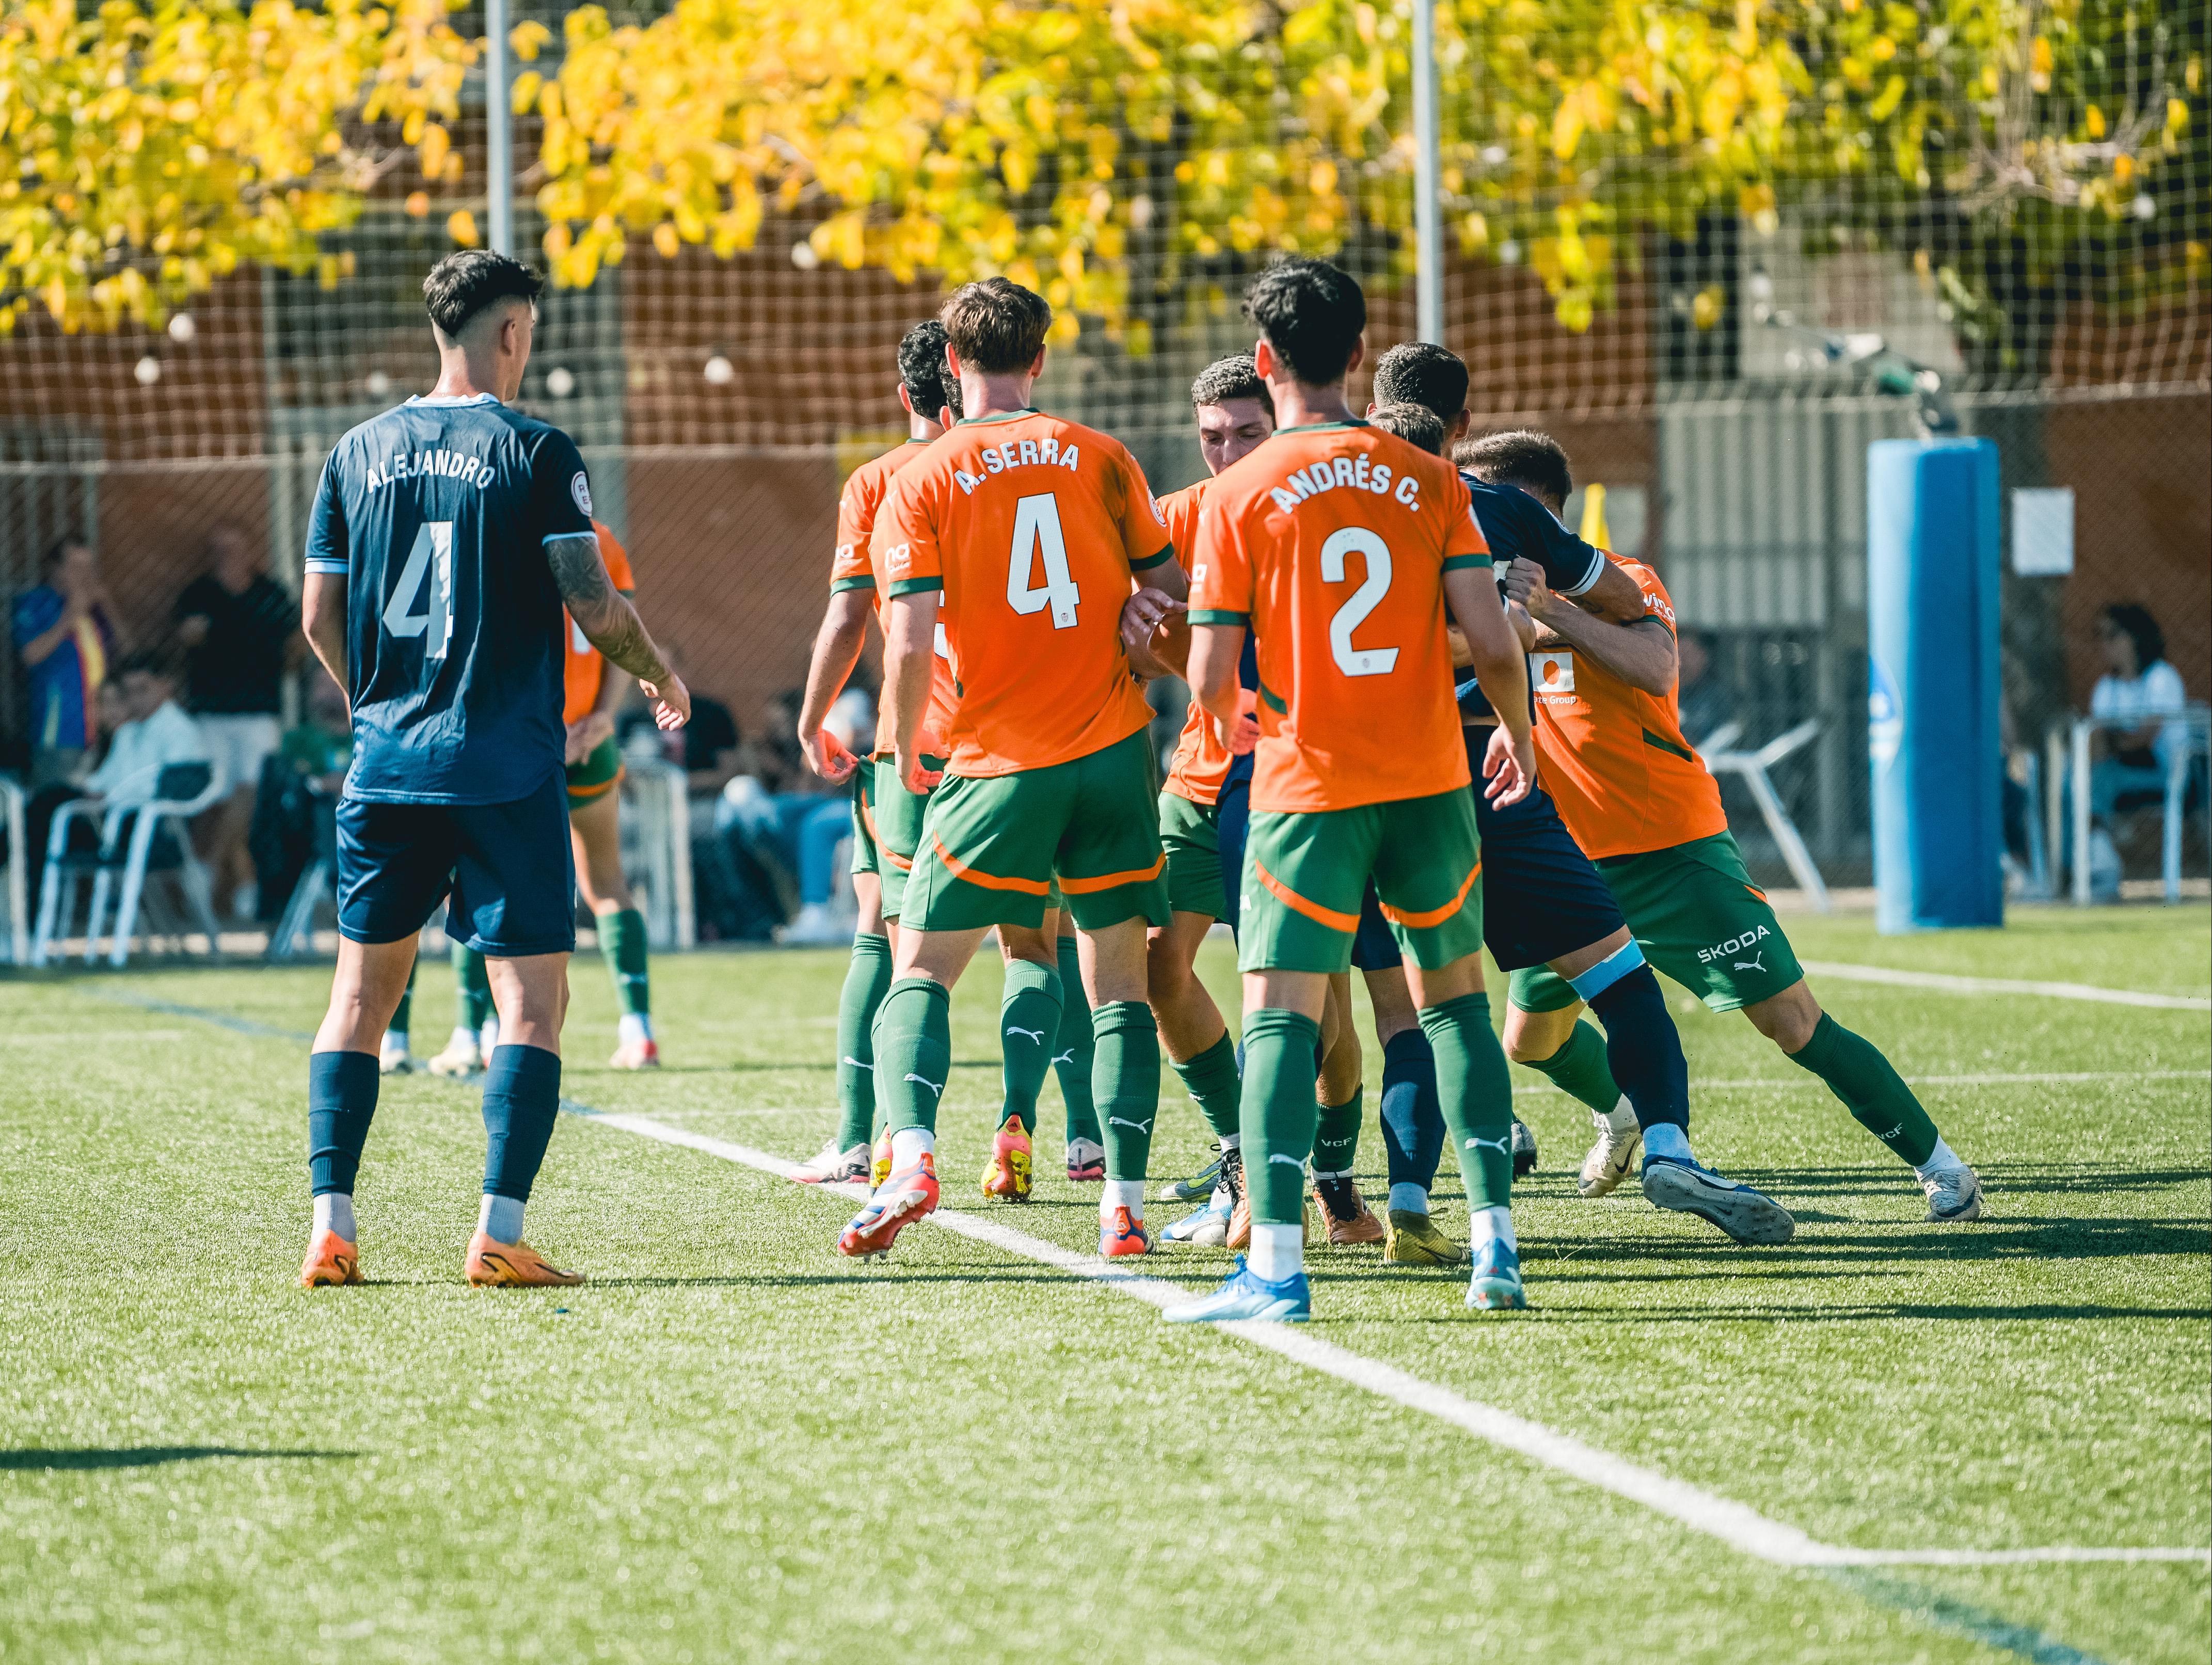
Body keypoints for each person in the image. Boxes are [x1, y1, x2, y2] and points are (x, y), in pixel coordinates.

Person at [294, 248, 689, 1293]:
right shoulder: (538, 448)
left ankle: (331, 1227)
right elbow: (596, 604)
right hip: (506, 769)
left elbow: (315, 616)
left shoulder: (352, 452)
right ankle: (498, 1232)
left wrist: (372, 700)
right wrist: (659, 672)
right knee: (530, 1007)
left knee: (359, 999)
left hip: (386, 767)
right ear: (512, 332)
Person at [1470, 428, 1985, 1224]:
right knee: (1530, 1041)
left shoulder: (1622, 583)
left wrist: (1550, 611)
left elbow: (1655, 668)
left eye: (1480, 502)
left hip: (1670, 852)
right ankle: (1627, 1109)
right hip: (1567, 860)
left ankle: (1940, 1166)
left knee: (1792, 1023)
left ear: (1527, 509)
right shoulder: (1480, 596)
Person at [1164, 258, 1538, 1324]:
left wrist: (1222, 714)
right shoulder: (1428, 477)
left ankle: (1276, 1268)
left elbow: (1207, 669)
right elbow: (1495, 636)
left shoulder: (1236, 491)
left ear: (1267, 361)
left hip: (1306, 782)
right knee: (1456, 1003)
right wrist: (1519, 739)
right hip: (1427, 779)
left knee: (1279, 1014)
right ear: (1361, 357)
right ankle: (1494, 1247)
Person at [1364, 346, 1790, 1246]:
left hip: (1359, 790)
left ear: (1372, 414)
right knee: (1622, 982)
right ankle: (1667, 1149)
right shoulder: (1499, 506)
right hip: (1492, 776)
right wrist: (1526, 629)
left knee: (1387, 1014)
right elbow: (1625, 596)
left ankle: (1362, 1199)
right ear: (1464, 427)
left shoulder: (1315, 504)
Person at [844, 275, 1182, 1260]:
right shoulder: (1101, 455)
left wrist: (907, 752)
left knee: (922, 966)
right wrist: (1136, 625)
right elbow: (1174, 596)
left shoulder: (925, 474)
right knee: (1118, 986)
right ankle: (1122, 1202)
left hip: (996, 761)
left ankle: (909, 1158)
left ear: (951, 364)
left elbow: (906, 643)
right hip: (1118, 751)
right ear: (1040, 359)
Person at [785, 320, 961, 1185]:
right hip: (1026, 741)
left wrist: (814, 716)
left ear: (906, 397)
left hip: (913, 744)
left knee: (884, 934)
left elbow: (851, 616)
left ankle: (873, 1139)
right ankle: (1073, 1146)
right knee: (1053, 942)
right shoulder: (1042, 463)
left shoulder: (883, 479)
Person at [429, 516, 662, 1076]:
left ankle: (472, 1031)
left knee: (473, 881)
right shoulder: (600, 538)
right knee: (606, 881)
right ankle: (639, 1028)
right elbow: (619, 631)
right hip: (583, 735)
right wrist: (602, 717)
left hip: (511, 740)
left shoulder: (490, 530)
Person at [173, 523, 297, 917]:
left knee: (252, 793)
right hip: (212, 711)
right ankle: (244, 884)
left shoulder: (270, 593)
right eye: (219, 549)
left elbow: (296, 641)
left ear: (250, 551)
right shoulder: (199, 593)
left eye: (234, 548)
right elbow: (186, 636)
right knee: (215, 796)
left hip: (259, 710)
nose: (228, 557)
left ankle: (206, 868)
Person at [14, 537, 122, 790]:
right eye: (76, 567)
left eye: (89, 568)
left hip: (99, 727)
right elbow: (31, 655)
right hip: (60, 730)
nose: (84, 576)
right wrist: (71, 615)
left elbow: (127, 651)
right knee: (55, 801)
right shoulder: (36, 602)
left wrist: (106, 605)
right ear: (55, 568)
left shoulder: (92, 611)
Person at [2087, 603, 2190, 826]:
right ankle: (2090, 848)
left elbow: (2145, 739)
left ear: (2135, 636)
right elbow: (2095, 742)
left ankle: (2096, 844)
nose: (2105, 644)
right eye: (2100, 636)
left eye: (2113, 635)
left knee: (2098, 779)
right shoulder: (2105, 687)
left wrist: (2109, 742)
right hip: (2119, 769)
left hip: (2166, 774)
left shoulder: (2161, 676)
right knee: (2071, 776)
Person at [79, 654, 209, 810]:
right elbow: (105, 777)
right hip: (117, 808)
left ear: (166, 686)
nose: (136, 698)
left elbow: (171, 786)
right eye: (129, 692)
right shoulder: (126, 731)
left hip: (154, 816)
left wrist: (112, 795)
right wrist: (90, 790)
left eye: (143, 690)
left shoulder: (180, 729)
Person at [1673, 630, 1733, 749]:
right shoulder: (1667, 693)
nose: (1682, 662)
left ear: (1704, 656)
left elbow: (1730, 730)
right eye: (1679, 654)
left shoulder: (1719, 695)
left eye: (1688, 653)